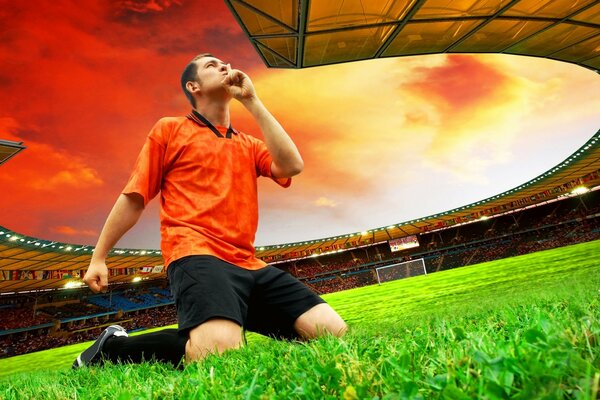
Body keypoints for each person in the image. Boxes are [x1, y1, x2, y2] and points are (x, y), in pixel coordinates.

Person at [73, 53, 347, 369]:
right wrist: (99, 257)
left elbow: (292, 165)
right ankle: (113, 349)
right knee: (220, 355)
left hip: (248, 262)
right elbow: (134, 198)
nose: (224, 66)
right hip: (196, 255)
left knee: (334, 334)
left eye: (224, 63)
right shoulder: (169, 129)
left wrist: (252, 100)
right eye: (211, 65)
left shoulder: (249, 144)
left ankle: (228, 322)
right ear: (194, 86)